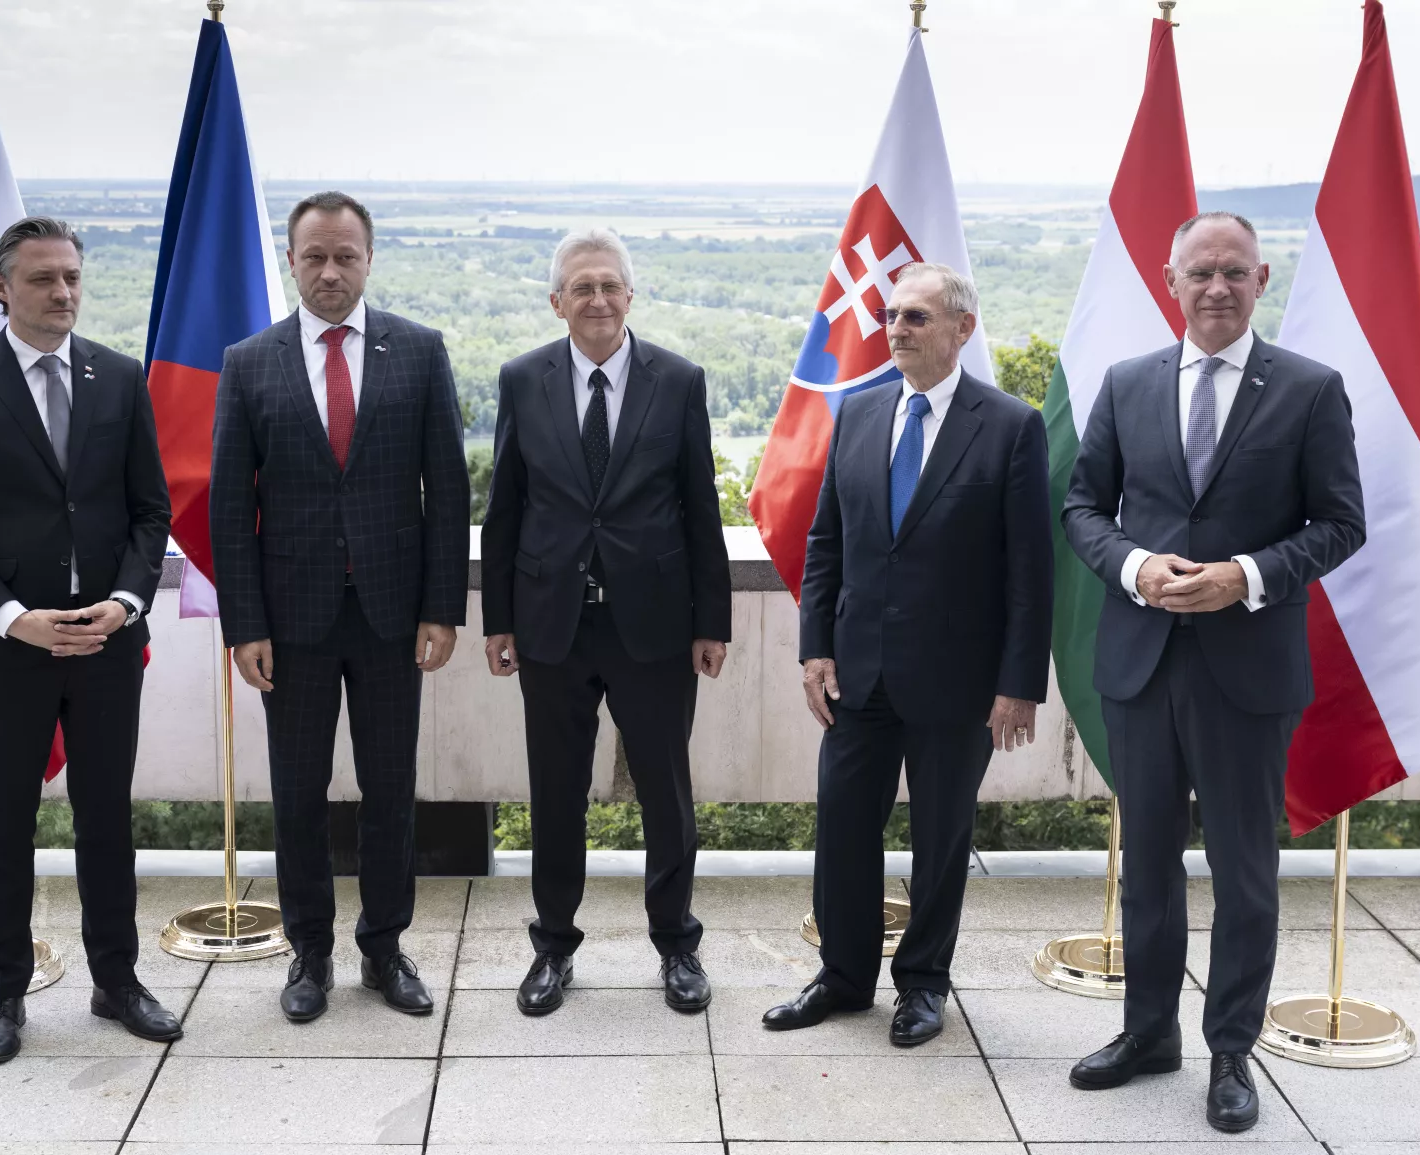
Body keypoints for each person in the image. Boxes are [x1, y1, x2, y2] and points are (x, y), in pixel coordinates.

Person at [1061, 212, 1365, 1132]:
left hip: (1247, 668)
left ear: (1261, 279)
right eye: (1201, 272)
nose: (1218, 287)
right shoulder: (1126, 384)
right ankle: (1147, 1032)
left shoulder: (1311, 391)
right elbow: (1083, 506)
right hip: (1143, 662)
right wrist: (1134, 568)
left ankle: (1231, 1050)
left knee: (1245, 870)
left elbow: (1341, 524)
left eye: (1235, 271)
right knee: (1149, 864)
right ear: (1171, 280)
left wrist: (1247, 577)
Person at [762, 262, 1052, 1046]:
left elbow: (1031, 570)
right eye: (892, 315)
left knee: (941, 839)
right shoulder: (856, 411)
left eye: (917, 317)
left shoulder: (1010, 426)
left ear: (963, 328)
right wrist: (815, 648)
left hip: (958, 683)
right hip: (857, 673)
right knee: (843, 829)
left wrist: (1019, 684)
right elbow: (828, 542)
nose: (897, 329)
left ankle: (923, 985)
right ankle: (844, 977)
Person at [0, 216, 178, 1064]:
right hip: (6, 651)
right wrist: (14, 618)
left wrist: (128, 601)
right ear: (2, 287)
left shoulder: (120, 378)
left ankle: (118, 981)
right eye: (42, 280)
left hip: (105, 645)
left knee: (108, 820)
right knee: (8, 829)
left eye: (70, 277)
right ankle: (2, 996)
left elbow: (149, 513)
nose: (62, 293)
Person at [209, 191, 469, 1024]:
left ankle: (384, 949)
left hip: (396, 616)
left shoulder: (419, 352)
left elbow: (448, 491)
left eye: (345, 256)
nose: (330, 271)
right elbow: (227, 509)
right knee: (297, 794)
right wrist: (244, 624)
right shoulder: (249, 361)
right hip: (291, 622)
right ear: (291, 260)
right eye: (314, 256)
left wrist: (442, 608)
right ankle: (309, 955)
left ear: (368, 259)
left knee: (392, 790)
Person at [480, 228, 731, 1016]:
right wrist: (498, 619)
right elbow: (507, 508)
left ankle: (677, 946)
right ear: (557, 301)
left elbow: (700, 507)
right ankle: (553, 948)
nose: (597, 299)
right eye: (581, 287)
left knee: (667, 792)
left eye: (610, 286)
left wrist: (712, 621)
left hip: (653, 625)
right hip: (551, 624)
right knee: (555, 794)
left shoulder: (679, 380)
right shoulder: (523, 379)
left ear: (631, 296)